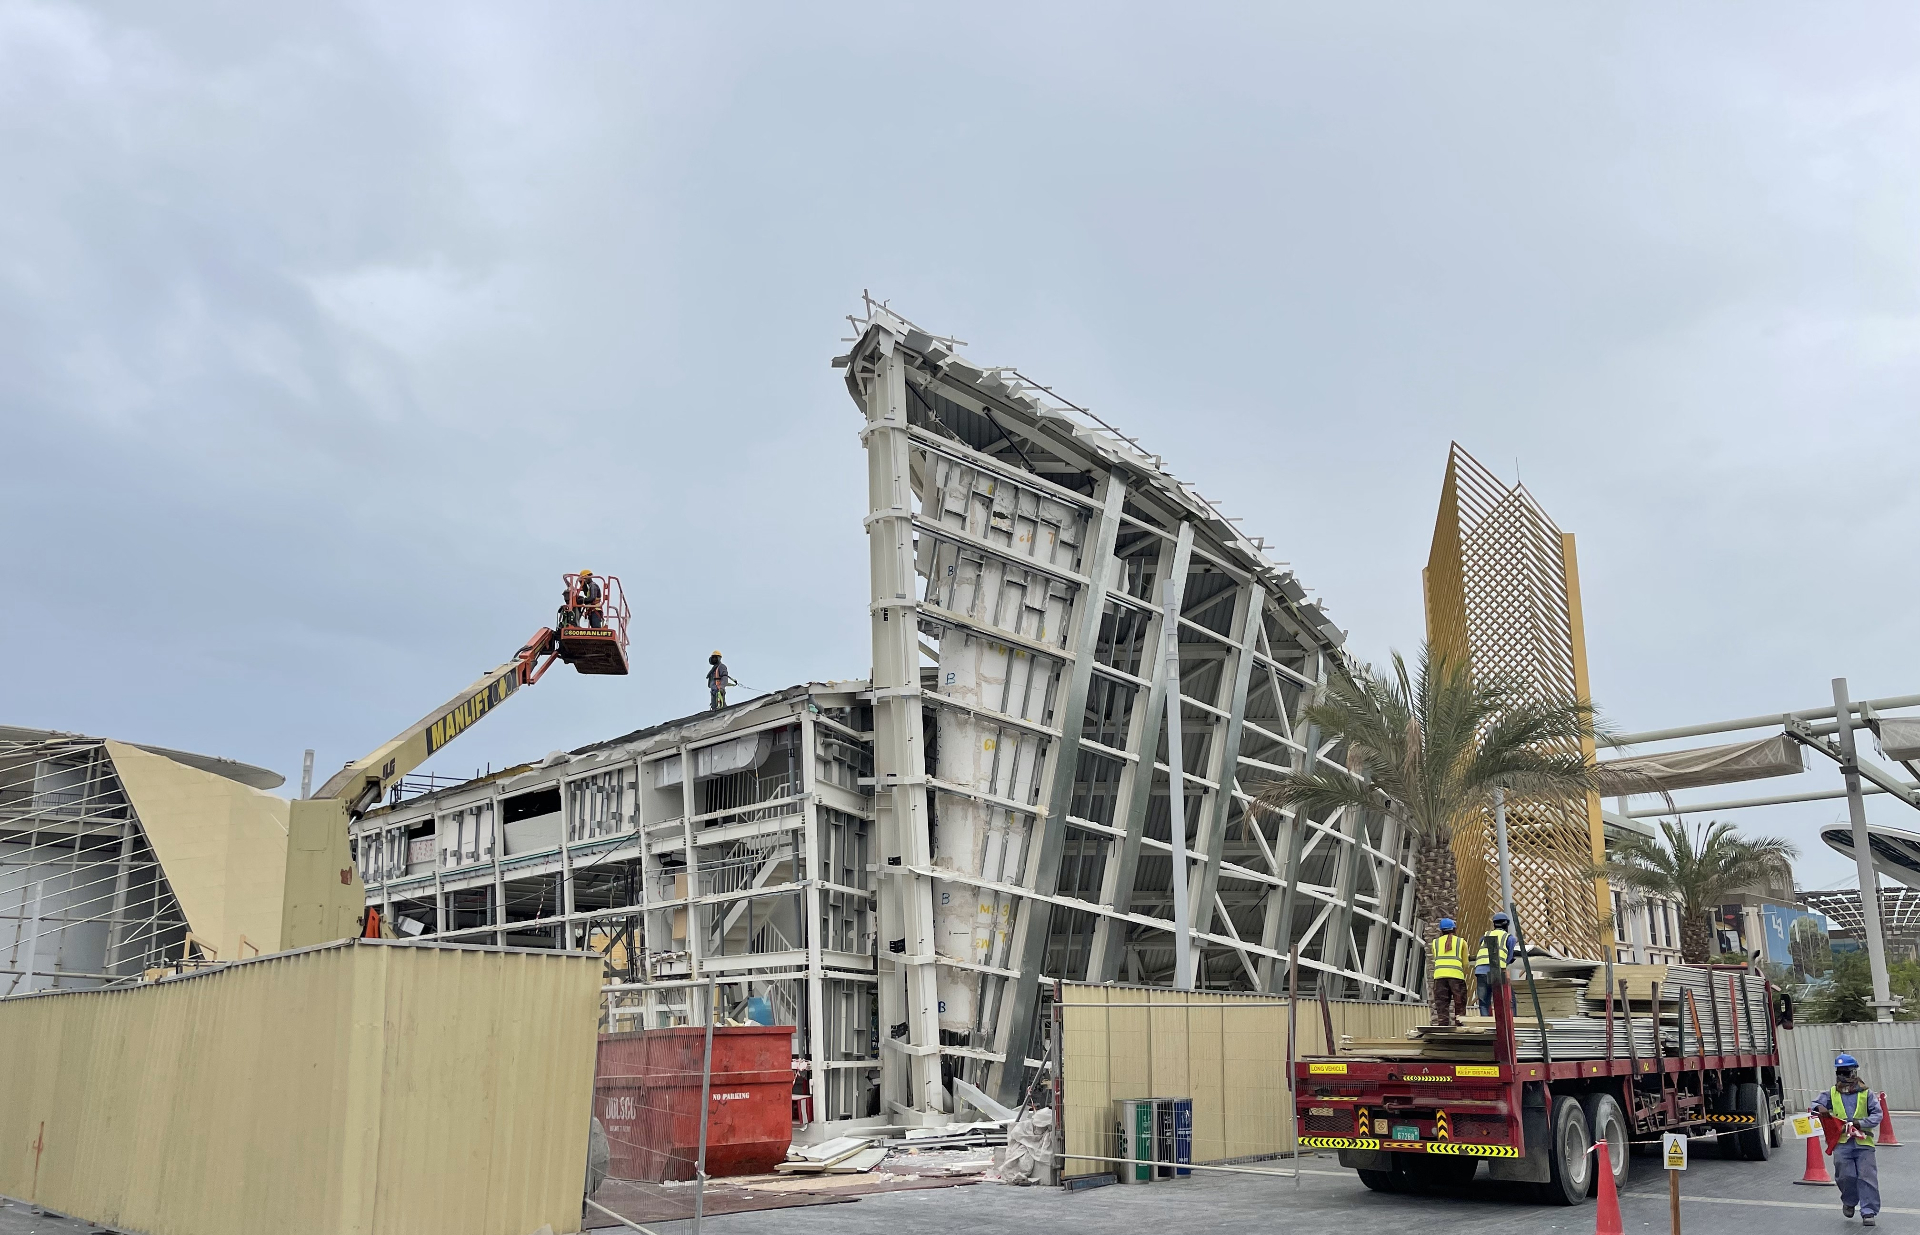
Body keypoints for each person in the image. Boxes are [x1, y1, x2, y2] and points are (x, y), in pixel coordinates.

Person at [1814, 1053, 1882, 1226]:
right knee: (1845, 1176)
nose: (1842, 1076)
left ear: (1853, 1073)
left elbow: (1878, 1114)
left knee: (1867, 1177)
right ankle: (1849, 1201)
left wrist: (1861, 1123)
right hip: (1842, 1143)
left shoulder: (1866, 1093)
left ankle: (1868, 1212)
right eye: (1839, 1072)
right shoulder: (1832, 1093)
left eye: (1845, 1072)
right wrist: (1820, 1107)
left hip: (1863, 1142)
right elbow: (1815, 1105)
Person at [1474, 911, 1517, 1016]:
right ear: (1507, 924)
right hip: (1496, 971)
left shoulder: (1485, 935)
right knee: (1508, 999)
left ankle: (1487, 1024)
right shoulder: (1509, 937)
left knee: (1484, 1002)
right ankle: (1511, 1021)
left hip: (1480, 971)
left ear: (1494, 924)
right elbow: (1509, 957)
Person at [1429, 917, 1469, 1027]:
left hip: (1439, 977)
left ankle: (1443, 1024)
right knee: (1460, 1002)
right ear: (1454, 929)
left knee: (1441, 1003)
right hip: (1456, 977)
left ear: (1441, 931)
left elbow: (1435, 957)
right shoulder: (1461, 942)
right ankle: (1459, 1023)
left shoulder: (1435, 943)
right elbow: (1465, 963)